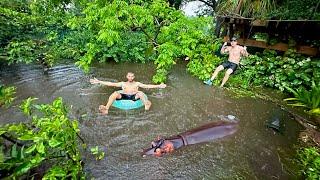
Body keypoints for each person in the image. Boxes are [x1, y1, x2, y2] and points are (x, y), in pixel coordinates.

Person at [90, 72, 166, 114]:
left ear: (134, 77)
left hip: (134, 97)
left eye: (132, 76)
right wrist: (99, 81)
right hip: (123, 96)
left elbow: (147, 86)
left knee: (140, 93)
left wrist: (159, 85)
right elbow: (110, 83)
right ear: (127, 77)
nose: (131, 78)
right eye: (129, 76)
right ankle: (106, 108)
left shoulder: (137, 83)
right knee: (115, 93)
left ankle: (146, 104)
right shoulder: (123, 83)